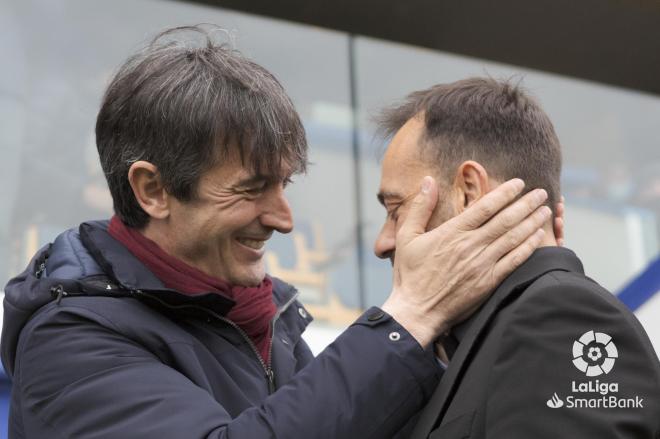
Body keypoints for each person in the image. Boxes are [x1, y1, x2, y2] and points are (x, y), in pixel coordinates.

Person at [0, 26, 551, 438]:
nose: (283, 218)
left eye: (284, 184)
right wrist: (411, 316)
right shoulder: (71, 339)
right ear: (153, 190)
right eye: (249, 189)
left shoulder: (259, 322)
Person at [370, 77, 660, 438]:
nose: (382, 243)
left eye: (396, 210)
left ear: (469, 191)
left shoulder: (559, 316)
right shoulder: (474, 344)